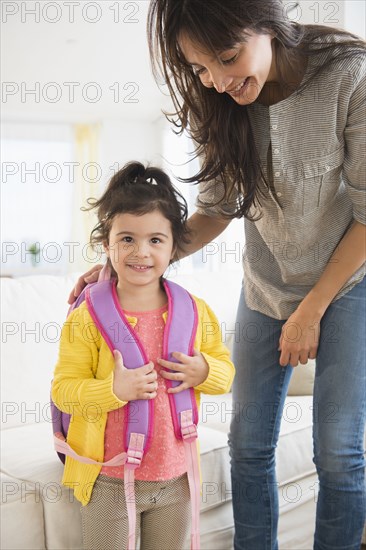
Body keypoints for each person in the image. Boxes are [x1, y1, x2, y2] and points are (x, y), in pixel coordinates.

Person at [69, 1, 366, 549]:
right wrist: (133, 261)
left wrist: (312, 309)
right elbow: (217, 208)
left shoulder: (349, 75)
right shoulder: (217, 98)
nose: (219, 82)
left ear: (269, 26)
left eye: (228, 59)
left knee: (339, 448)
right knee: (249, 444)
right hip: (265, 282)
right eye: (202, 69)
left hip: (347, 282)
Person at [53, 161, 235, 550]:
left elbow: (226, 371)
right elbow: (63, 390)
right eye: (127, 239)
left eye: (155, 240)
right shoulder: (87, 315)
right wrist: (113, 390)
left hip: (176, 477)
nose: (141, 252)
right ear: (107, 244)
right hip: (108, 481)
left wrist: (204, 371)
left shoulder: (195, 310)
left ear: (174, 247)